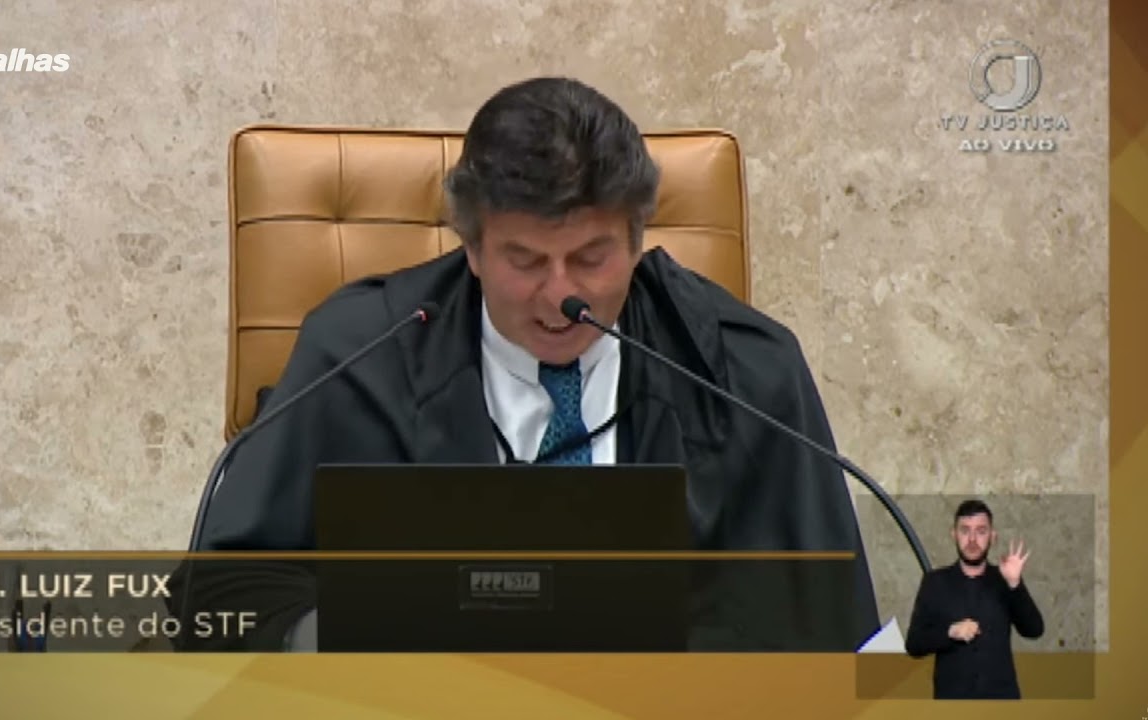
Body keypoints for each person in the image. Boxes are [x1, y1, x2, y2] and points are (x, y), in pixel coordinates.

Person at [175, 76, 880, 651]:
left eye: (592, 257)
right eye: (525, 260)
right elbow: (221, 592)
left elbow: (823, 626)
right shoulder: (358, 353)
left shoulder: (745, 371)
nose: (560, 295)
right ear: (473, 249)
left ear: (637, 242)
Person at [904, 499, 1045, 699]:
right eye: (965, 530)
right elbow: (914, 644)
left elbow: (1034, 630)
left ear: (992, 536)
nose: (972, 539)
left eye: (981, 531)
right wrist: (950, 632)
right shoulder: (935, 582)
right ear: (954, 534)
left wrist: (1015, 584)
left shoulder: (1005, 579)